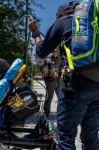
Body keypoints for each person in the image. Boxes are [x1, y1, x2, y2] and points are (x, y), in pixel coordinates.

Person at [28, 1, 99, 150]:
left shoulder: (63, 21)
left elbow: (41, 52)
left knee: (65, 138)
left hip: (77, 84)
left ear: (61, 14)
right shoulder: (93, 23)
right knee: (91, 137)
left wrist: (35, 32)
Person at [40, 49, 61, 118]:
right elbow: (43, 67)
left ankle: (61, 113)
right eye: (53, 51)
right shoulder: (48, 58)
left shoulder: (61, 58)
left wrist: (59, 73)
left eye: (56, 51)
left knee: (61, 98)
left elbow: (64, 67)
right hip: (50, 81)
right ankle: (46, 113)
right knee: (49, 98)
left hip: (59, 81)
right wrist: (46, 72)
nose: (54, 52)